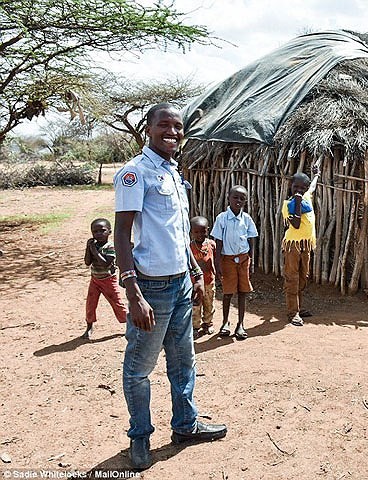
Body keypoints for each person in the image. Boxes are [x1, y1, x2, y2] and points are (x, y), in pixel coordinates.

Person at [114, 103, 227, 471]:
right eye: (165, 125)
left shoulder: (174, 174)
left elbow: (177, 234)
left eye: (178, 127)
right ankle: (140, 437)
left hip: (180, 285)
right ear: (148, 128)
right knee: (139, 369)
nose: (173, 133)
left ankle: (185, 425)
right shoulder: (136, 174)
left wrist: (194, 272)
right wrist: (133, 293)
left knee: (184, 362)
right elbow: (121, 234)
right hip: (150, 287)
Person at [211, 185, 258, 340]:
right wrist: (217, 265)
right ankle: (225, 323)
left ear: (245, 201)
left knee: (243, 292)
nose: (238, 200)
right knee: (227, 292)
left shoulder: (247, 219)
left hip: (243, 259)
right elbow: (218, 243)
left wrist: (251, 261)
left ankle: (241, 324)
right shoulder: (222, 218)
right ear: (228, 198)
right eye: (235, 197)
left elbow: (251, 240)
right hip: (227, 260)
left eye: (242, 198)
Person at [281, 166, 320, 326]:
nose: (299, 190)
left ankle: (298, 306)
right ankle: (292, 312)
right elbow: (296, 224)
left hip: (306, 245)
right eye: (296, 187)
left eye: (302, 188)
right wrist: (297, 202)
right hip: (292, 246)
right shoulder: (288, 205)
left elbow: (312, 187)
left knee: (303, 277)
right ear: (290, 185)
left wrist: (316, 175)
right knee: (292, 278)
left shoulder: (307, 197)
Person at [83, 218, 127, 339]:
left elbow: (105, 264)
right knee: (90, 304)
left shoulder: (110, 247)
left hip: (108, 280)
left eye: (102, 231)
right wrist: (89, 248)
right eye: (95, 232)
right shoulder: (94, 245)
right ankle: (89, 326)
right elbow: (87, 262)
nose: (98, 234)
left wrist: (94, 251)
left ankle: (130, 324)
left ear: (109, 232)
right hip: (95, 279)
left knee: (117, 303)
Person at [189, 216, 216, 338]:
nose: (200, 234)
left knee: (209, 303)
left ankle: (208, 323)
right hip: (194, 283)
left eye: (203, 231)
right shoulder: (190, 247)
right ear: (191, 232)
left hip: (209, 281)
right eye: (196, 232)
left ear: (208, 230)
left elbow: (214, 259)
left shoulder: (211, 244)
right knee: (195, 305)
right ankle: (195, 326)